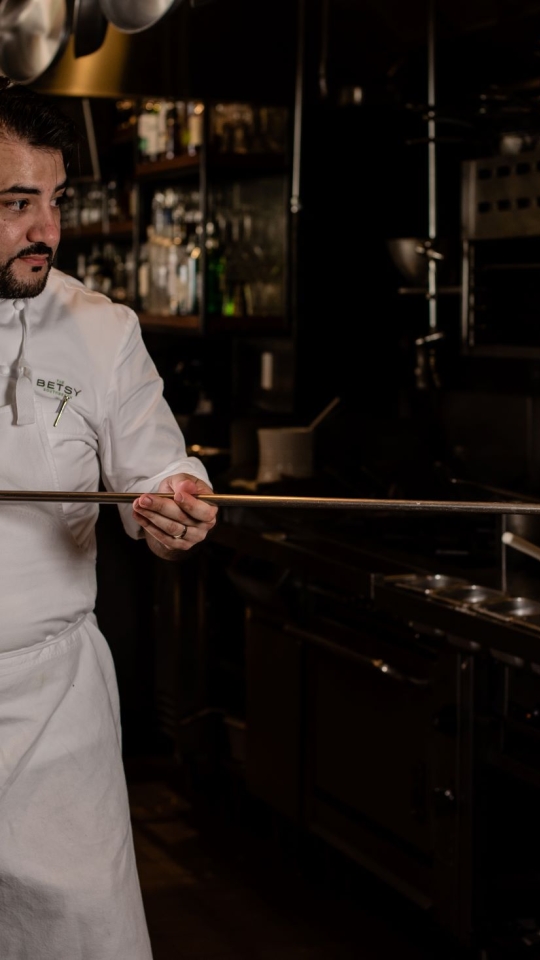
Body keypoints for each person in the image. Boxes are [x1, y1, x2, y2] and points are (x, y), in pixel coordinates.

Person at [0, 77, 218, 959]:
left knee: (79, 938)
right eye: (16, 204)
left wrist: (176, 501)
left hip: (56, 712)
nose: (46, 230)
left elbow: (158, 464)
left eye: (54, 202)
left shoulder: (101, 328)